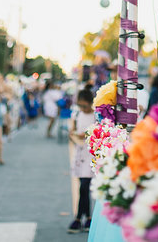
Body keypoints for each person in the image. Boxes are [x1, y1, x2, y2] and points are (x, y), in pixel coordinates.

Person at [67, 88, 96, 234]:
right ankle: (86, 218)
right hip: (80, 153)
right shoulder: (77, 114)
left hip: (92, 154)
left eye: (85, 106)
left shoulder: (97, 115)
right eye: (80, 105)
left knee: (86, 187)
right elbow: (71, 130)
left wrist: (87, 134)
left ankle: (80, 218)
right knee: (83, 187)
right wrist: (73, 133)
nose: (83, 108)